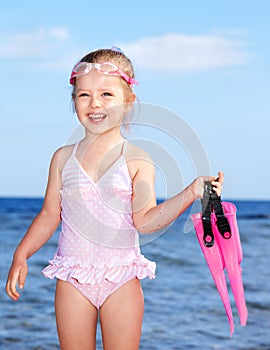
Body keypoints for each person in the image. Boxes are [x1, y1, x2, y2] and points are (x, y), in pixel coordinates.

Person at [6, 46, 224, 350]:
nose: (94, 103)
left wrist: (192, 192)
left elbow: (146, 221)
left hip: (121, 280)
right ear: (73, 101)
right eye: (84, 95)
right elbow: (49, 215)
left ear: (128, 101)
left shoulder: (137, 159)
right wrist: (21, 254)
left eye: (106, 94)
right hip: (73, 278)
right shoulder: (62, 159)